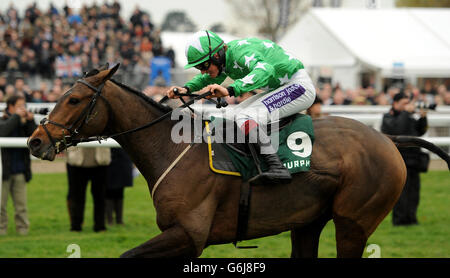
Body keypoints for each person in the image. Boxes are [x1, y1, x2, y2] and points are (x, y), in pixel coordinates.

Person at [166, 30, 316, 185]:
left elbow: (265, 70)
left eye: (203, 65)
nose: (203, 71)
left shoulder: (240, 53)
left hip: (298, 87)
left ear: (217, 55)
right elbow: (208, 76)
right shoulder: (226, 59)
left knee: (246, 116)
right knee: (232, 115)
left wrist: (230, 89)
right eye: (198, 67)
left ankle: (277, 166)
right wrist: (187, 89)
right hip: (282, 88)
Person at [381, 92, 429, 226]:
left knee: (414, 191)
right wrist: (405, 113)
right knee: (401, 192)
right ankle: (399, 220)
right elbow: (397, 130)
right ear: (395, 103)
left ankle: (411, 218)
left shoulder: (408, 116)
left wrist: (423, 117)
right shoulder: (388, 117)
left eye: (408, 103)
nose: (408, 106)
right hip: (399, 160)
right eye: (404, 103)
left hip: (414, 160)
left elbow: (420, 131)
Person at [0, 95, 37, 236]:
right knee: (0, 206)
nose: (23, 109)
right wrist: (16, 117)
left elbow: (35, 139)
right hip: (3, 171)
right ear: (10, 106)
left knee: (21, 206)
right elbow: (3, 131)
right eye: (20, 106)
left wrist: (30, 121)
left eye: (24, 106)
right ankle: (1, 230)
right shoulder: (3, 120)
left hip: (20, 170)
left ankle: (23, 230)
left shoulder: (23, 123)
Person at [66, 147, 111, 232]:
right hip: (76, 162)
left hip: (100, 163)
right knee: (76, 196)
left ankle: (100, 226)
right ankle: (76, 226)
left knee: (100, 197)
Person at [105, 148, 134, 225]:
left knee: (119, 192)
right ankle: (110, 219)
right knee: (109, 192)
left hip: (122, 161)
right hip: (109, 162)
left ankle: (118, 220)